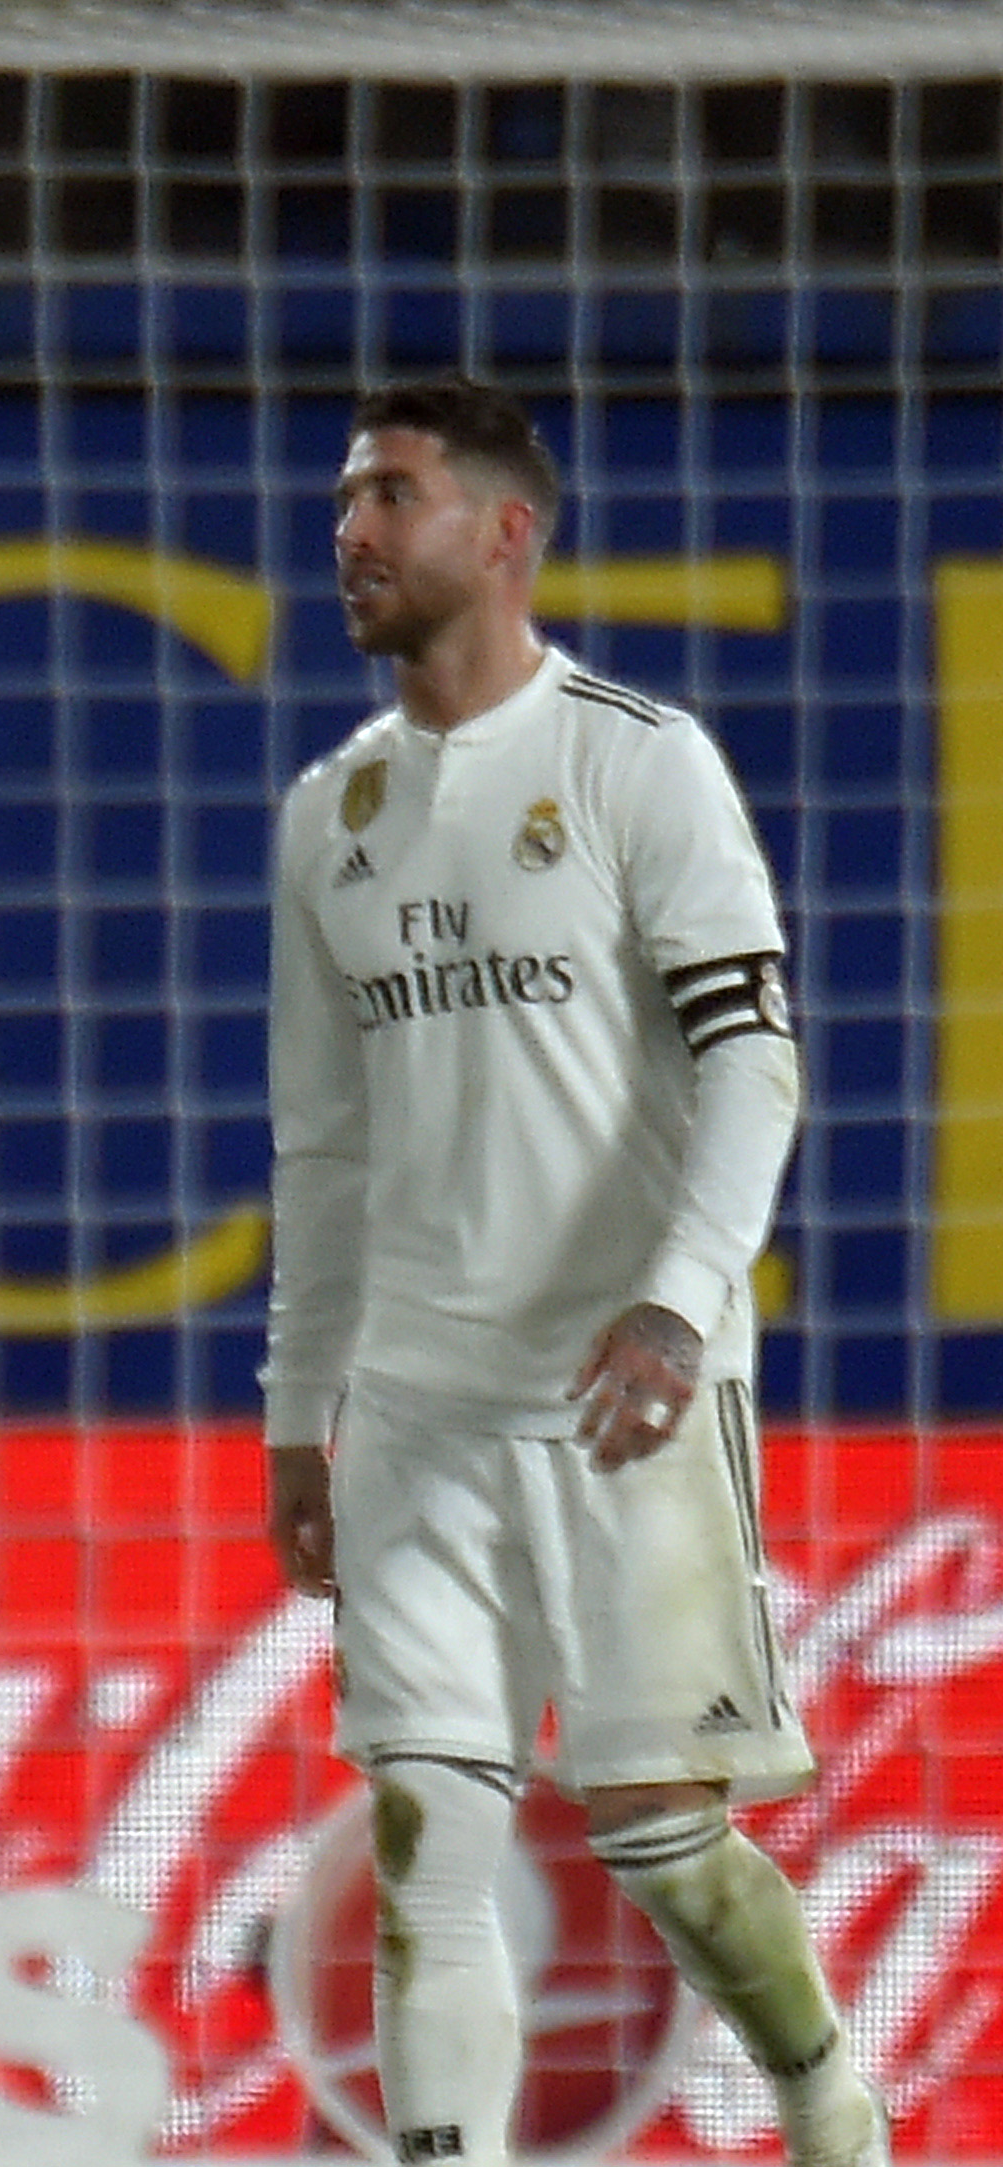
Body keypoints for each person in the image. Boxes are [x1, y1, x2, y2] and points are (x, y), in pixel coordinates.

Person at [262, 376, 883, 2167]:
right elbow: (326, 1152)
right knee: (424, 1845)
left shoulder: (636, 759)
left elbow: (754, 1059)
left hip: (626, 1407)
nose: (351, 532)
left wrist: (682, 1297)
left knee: (662, 1842)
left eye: (390, 495)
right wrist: (302, 1417)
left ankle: (830, 2103)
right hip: (418, 1417)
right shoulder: (332, 815)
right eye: (345, 500)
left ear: (505, 532)